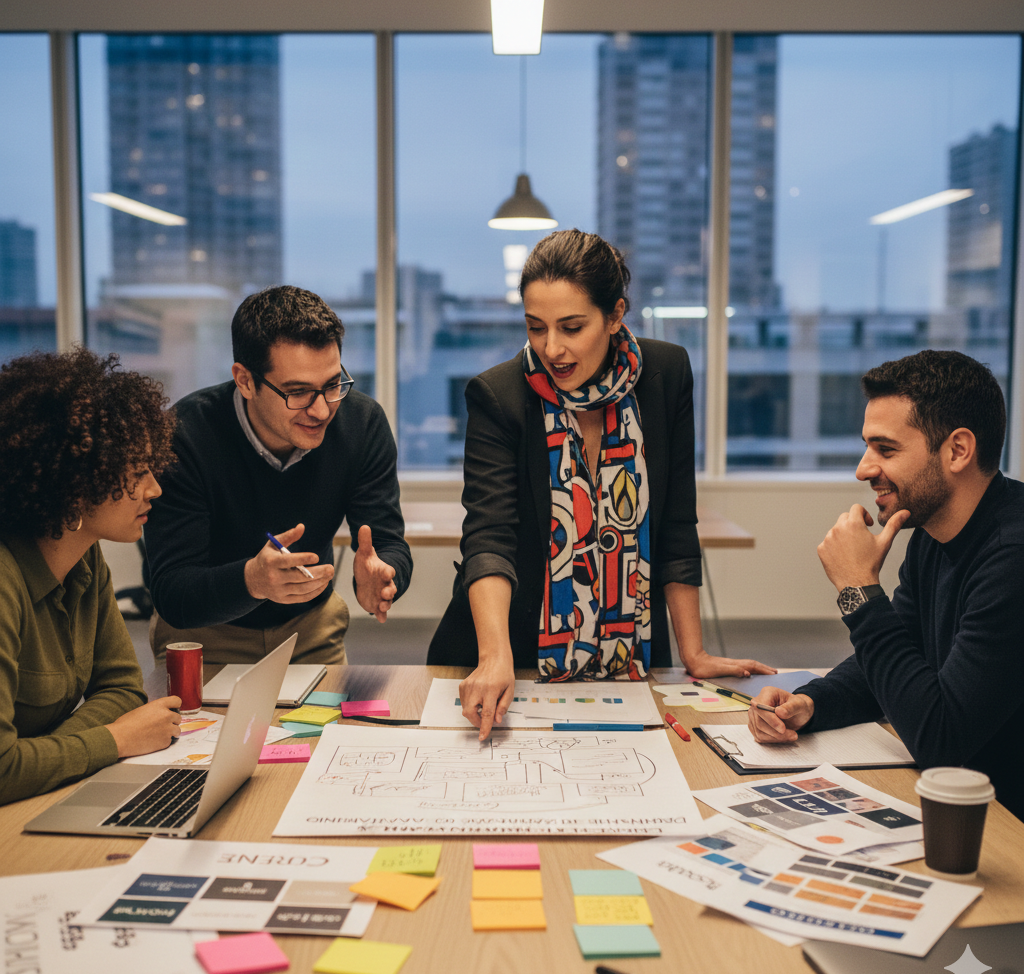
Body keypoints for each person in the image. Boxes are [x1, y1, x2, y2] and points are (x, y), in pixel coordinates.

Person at [428, 229, 773, 738]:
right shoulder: (498, 395)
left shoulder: (666, 373)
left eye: (571, 327)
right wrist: (494, 656)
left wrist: (693, 652)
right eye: (535, 327)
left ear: (615, 315)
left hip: (629, 655)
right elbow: (490, 535)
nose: (552, 349)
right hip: (510, 657)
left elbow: (676, 520)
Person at [747, 350, 1024, 821]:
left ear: (958, 450)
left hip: (1005, 825)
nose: (863, 468)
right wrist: (814, 701)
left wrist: (858, 590)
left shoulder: (1012, 554)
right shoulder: (934, 532)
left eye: (886, 449)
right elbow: (899, 660)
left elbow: (941, 739)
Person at [145, 286, 413, 666]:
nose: (321, 411)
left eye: (333, 384)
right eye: (299, 392)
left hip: (311, 628)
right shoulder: (186, 435)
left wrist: (387, 577)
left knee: (334, 728)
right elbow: (172, 592)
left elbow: (387, 544)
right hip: (203, 635)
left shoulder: (362, 423)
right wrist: (252, 580)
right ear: (245, 380)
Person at [0, 349, 182, 805]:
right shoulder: (5, 579)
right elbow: (3, 770)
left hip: (38, 795)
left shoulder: (84, 556)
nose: (154, 489)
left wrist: (51, 753)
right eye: (138, 471)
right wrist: (115, 741)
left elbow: (121, 688)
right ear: (77, 480)